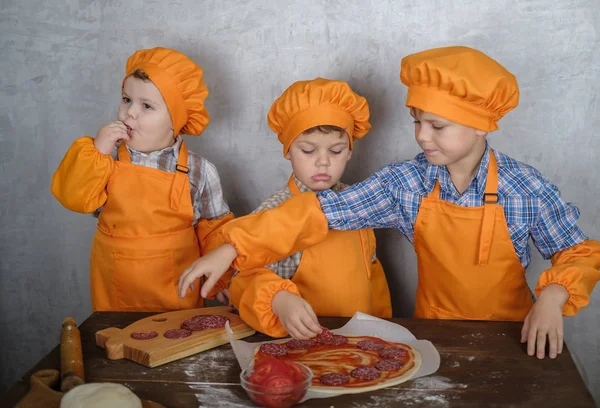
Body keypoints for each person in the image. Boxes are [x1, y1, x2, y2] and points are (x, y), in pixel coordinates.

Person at [52, 47, 233, 311]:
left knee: (175, 344)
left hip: (177, 289)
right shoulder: (106, 158)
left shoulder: (199, 170)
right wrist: (95, 152)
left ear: (176, 118)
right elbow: (73, 197)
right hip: (114, 288)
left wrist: (220, 281)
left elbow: (214, 231)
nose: (130, 113)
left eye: (146, 105)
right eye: (127, 100)